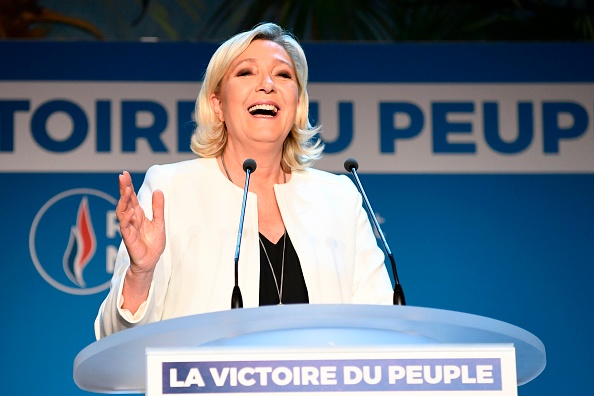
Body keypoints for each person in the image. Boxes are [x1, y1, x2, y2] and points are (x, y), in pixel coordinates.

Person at [95, 22, 392, 340]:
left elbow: (382, 325)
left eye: (283, 75)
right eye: (246, 72)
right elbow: (113, 337)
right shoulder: (171, 189)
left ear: (296, 105)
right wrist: (141, 274)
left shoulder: (339, 198)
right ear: (217, 104)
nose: (267, 84)